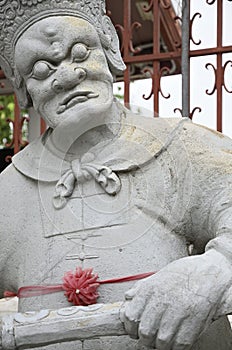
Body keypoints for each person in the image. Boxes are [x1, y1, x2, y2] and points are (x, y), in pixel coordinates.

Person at [0, 1, 231, 349]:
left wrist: (217, 267)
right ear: (22, 87)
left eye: (79, 53)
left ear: (109, 43)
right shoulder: (10, 190)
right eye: (43, 69)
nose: (66, 76)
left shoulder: (181, 147)